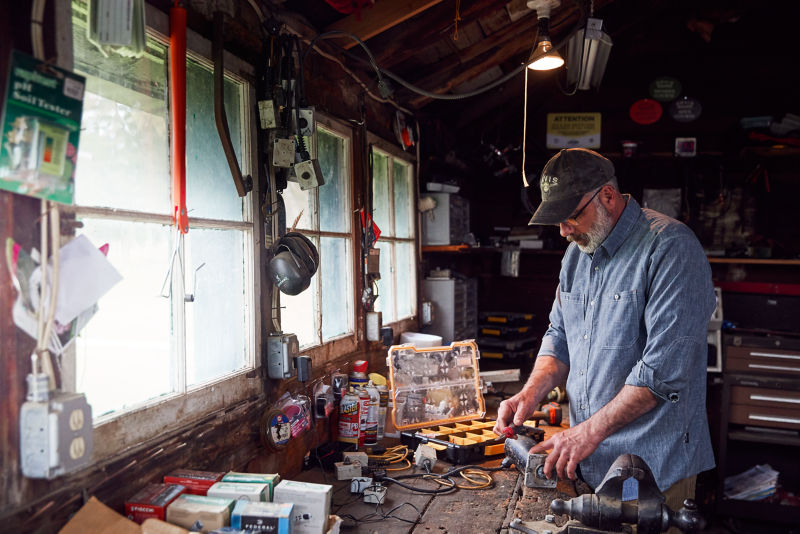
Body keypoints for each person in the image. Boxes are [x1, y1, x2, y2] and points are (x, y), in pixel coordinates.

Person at [494, 148, 715, 518]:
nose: (564, 232)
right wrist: (531, 393)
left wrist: (586, 433)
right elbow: (560, 336)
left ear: (607, 197)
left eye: (570, 217)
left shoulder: (671, 248)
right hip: (588, 457)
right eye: (557, 221)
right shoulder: (578, 254)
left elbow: (660, 375)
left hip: (648, 466)